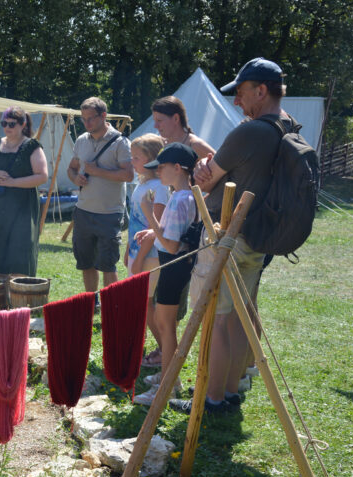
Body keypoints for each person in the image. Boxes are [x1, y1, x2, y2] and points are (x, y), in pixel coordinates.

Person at [170, 57, 294, 415]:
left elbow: (206, 180)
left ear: (261, 90)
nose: (236, 101)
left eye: (241, 93)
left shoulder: (249, 132)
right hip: (259, 237)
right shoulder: (286, 125)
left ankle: (211, 398)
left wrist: (202, 169)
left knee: (217, 319)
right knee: (239, 316)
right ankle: (228, 389)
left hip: (227, 235)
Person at [131, 143, 198, 405]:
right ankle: (170, 377)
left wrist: (149, 214)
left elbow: (171, 245)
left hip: (173, 265)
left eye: (161, 167)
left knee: (166, 327)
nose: (157, 172)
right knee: (163, 323)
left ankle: (169, 385)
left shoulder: (181, 199)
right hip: (173, 264)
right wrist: (154, 231)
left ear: (178, 168)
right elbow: (173, 234)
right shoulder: (183, 195)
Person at [0, 106, 48, 278]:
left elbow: (42, 176)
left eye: (12, 124)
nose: (7, 127)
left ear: (23, 124)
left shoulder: (32, 146)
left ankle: (18, 292)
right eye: (4, 123)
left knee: (19, 255)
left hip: (22, 208)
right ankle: (3, 292)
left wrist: (13, 182)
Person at [67, 97, 133, 292]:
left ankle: (111, 305)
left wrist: (97, 171)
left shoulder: (121, 142)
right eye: (83, 119)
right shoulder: (81, 140)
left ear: (103, 116)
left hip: (110, 213)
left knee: (107, 265)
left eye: (91, 118)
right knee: (85, 263)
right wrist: (75, 179)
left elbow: (128, 175)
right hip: (83, 211)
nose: (86, 123)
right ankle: (91, 301)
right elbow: (71, 168)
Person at [126, 134, 170, 368]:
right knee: (139, 302)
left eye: (136, 157)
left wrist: (140, 258)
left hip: (150, 256)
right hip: (137, 253)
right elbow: (134, 221)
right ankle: (137, 346)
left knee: (146, 302)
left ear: (152, 159)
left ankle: (165, 350)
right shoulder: (142, 184)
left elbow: (155, 228)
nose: (131, 161)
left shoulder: (159, 188)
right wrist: (129, 251)